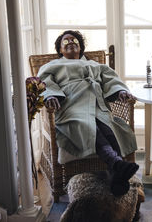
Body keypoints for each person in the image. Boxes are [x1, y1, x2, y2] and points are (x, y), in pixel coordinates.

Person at [38, 30, 139, 196]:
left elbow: (112, 80)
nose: (70, 42)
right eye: (66, 41)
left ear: (80, 47)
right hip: (72, 107)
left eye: (74, 40)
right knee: (87, 126)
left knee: (109, 127)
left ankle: (116, 174)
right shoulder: (51, 66)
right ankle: (117, 163)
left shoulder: (96, 65)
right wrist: (49, 95)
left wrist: (120, 91)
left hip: (98, 105)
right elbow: (44, 83)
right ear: (60, 49)